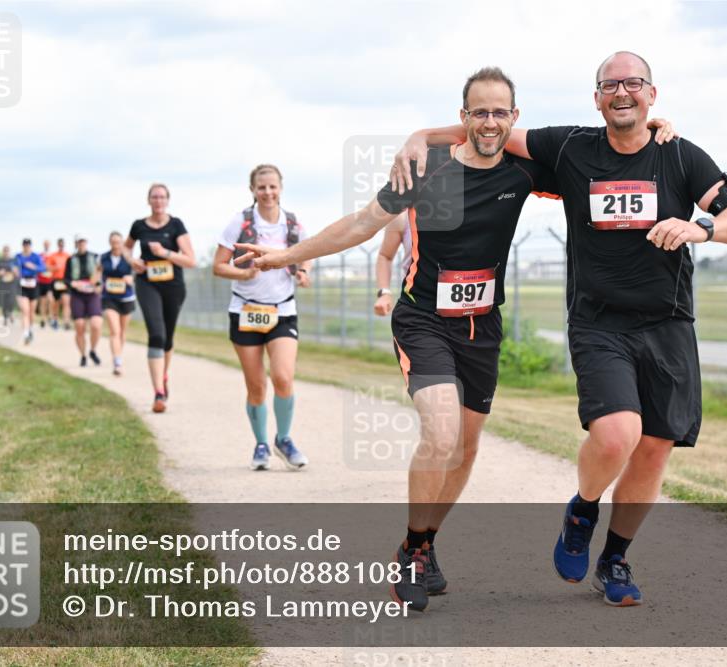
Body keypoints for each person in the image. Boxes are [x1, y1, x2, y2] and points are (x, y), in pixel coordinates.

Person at [392, 52, 727, 607]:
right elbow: (492, 129)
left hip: (668, 323)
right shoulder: (571, 147)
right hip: (599, 321)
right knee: (617, 435)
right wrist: (421, 134)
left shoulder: (679, 155)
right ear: (596, 98)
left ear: (651, 95)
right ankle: (583, 509)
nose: (622, 92)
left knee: (656, 448)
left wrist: (700, 227)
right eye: (610, 85)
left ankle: (615, 559)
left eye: (633, 84)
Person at [237, 68, 563, 612]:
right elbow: (362, 224)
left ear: (514, 118)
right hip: (423, 320)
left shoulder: (526, 168)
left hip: (483, 327)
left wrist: (650, 127)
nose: (488, 122)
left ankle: (427, 543)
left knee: (466, 447)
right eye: (478, 112)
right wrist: (285, 256)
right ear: (462, 118)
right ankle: (412, 550)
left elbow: (600, 161)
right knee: (441, 433)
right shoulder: (426, 167)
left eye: (498, 112)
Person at [214, 164, 313, 471]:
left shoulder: (293, 224)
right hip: (245, 311)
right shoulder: (239, 223)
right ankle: (260, 445)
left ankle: (283, 439)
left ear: (280, 188)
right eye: (261, 188)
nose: (268, 193)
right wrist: (243, 273)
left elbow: (306, 254)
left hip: (282, 310)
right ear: (252, 190)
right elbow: (218, 266)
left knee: (282, 377)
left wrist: (304, 272)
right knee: (256, 385)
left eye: (272, 187)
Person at [124, 183, 196, 413]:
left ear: (168, 200)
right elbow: (126, 249)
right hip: (147, 284)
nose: (158, 201)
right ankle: (158, 392)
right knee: (156, 333)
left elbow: (191, 260)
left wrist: (164, 253)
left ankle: (163, 375)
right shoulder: (139, 225)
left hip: (173, 286)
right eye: (154, 197)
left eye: (162, 197)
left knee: (168, 338)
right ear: (148, 200)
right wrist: (132, 261)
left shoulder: (176, 225)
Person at [100, 231, 136, 376]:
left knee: (122, 331)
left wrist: (131, 278)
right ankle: (117, 362)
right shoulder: (103, 258)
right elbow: (97, 273)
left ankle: (118, 354)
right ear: (110, 243)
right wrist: (97, 283)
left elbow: (138, 271)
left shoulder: (128, 257)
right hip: (109, 298)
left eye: (118, 242)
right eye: (113, 242)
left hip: (126, 297)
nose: (116, 245)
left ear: (122, 243)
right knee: (114, 331)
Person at [65, 234, 103, 367]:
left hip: (92, 294)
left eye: (83, 242)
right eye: (79, 242)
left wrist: (98, 285)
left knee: (96, 324)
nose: (81, 244)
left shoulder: (95, 257)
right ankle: (83, 355)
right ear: (76, 244)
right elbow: (66, 279)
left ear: (86, 243)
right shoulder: (71, 259)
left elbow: (101, 274)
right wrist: (73, 284)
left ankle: (92, 350)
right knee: (80, 326)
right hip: (77, 295)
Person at [372, 212, 412, 316]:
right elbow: (385, 256)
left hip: (458, 306)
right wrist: (384, 293)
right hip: (416, 305)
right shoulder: (402, 218)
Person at [14, 238, 46, 344]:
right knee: (25, 310)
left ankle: (30, 329)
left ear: (30, 246)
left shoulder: (36, 257)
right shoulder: (18, 256)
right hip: (22, 285)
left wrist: (34, 267)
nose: (26, 246)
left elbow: (43, 268)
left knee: (31, 312)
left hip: (33, 284)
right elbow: (13, 266)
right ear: (22, 245)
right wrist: (15, 270)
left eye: (28, 245)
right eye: (24, 245)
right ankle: (26, 333)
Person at [46, 238, 72, 330]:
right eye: (60, 244)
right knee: (55, 302)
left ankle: (66, 322)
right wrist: (54, 268)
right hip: (56, 281)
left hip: (65, 281)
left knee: (66, 301)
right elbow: (47, 267)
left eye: (62, 244)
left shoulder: (68, 256)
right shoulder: (53, 255)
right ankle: (55, 319)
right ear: (58, 245)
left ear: (64, 245)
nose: (61, 246)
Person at [0, 245, 17, 325]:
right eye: (5, 250)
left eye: (7, 250)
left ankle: (10, 312)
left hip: (12, 284)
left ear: (9, 251)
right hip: (2, 284)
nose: (6, 252)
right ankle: (5, 318)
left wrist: (15, 271)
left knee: (11, 300)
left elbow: (18, 272)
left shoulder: (14, 261)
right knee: (4, 302)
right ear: (3, 252)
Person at [37, 240, 55, 328]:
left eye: (48, 244)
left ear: (50, 245)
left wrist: (50, 268)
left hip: (50, 281)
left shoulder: (52, 255)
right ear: (43, 245)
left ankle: (50, 316)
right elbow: (37, 267)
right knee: (43, 301)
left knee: (51, 300)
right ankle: (42, 319)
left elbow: (56, 267)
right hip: (41, 281)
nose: (47, 245)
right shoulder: (40, 255)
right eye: (45, 244)